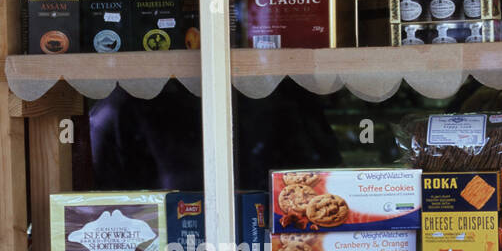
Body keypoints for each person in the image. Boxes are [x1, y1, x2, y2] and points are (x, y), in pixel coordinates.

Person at [88, 78, 341, 191]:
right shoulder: (127, 103)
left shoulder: (283, 94)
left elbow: (319, 173)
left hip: (269, 231)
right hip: (169, 239)